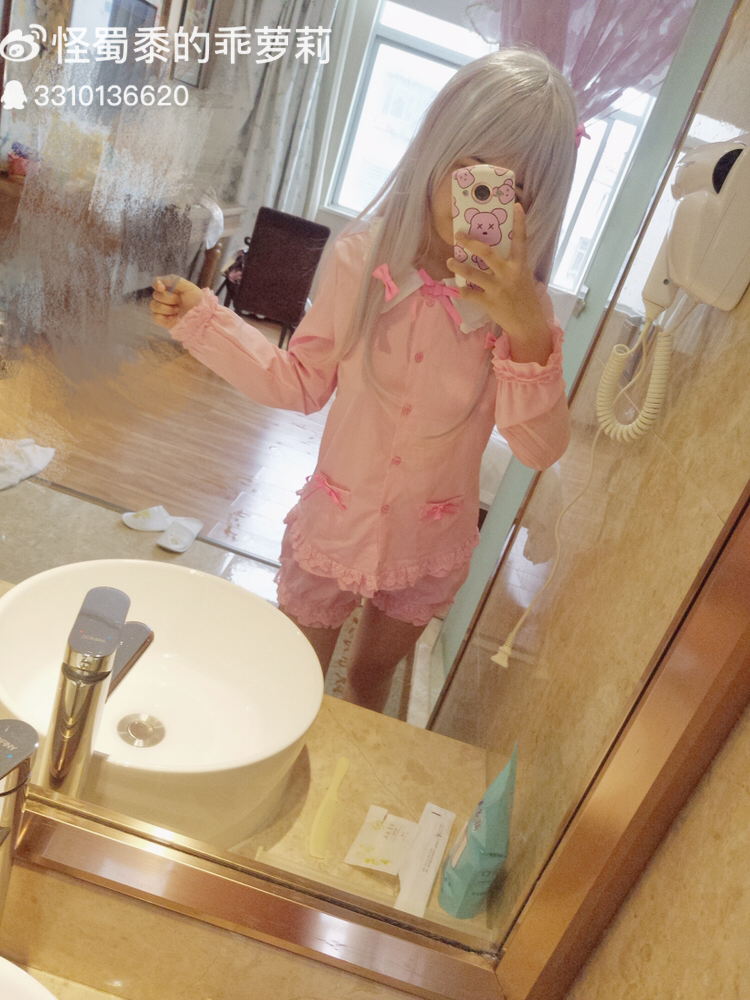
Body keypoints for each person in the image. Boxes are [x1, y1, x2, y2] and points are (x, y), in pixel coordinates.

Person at [150, 47, 578, 713]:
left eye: (510, 191)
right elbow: (300, 383)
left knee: (370, 684)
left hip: (430, 544)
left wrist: (525, 327)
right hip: (335, 527)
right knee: (292, 683)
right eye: (470, 169)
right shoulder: (362, 260)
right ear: (436, 148)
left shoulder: (525, 313)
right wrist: (207, 321)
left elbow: (539, 448)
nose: (481, 199)